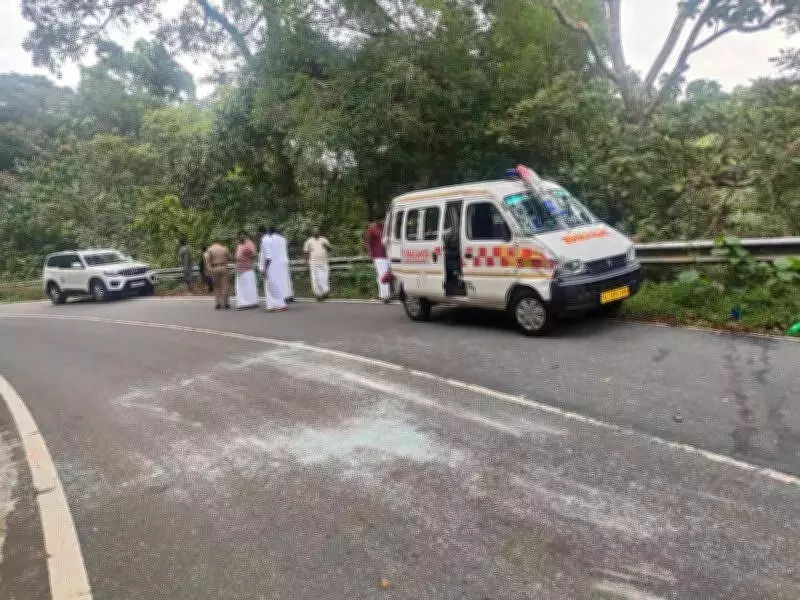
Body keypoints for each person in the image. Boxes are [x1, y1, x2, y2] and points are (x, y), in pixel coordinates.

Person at [259, 227, 287, 312]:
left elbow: (268, 256)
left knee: (272, 285)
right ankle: (271, 305)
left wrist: (264, 269)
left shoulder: (265, 240)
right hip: (273, 266)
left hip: (269, 267)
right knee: (269, 286)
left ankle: (280, 304)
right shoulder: (269, 239)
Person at [303, 226, 332, 300]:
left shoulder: (324, 239)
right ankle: (318, 295)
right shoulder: (309, 241)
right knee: (315, 279)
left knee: (324, 278)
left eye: (317, 231)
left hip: (323, 262)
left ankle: (325, 293)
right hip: (313, 263)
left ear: (319, 232)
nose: (316, 232)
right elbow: (306, 253)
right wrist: (306, 264)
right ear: (312, 232)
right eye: (314, 231)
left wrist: (326, 246)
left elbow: (330, 249)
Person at [365, 220, 390, 302]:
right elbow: (368, 242)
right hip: (378, 255)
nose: (383, 221)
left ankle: (382, 295)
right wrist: (370, 254)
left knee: (383, 275)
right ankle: (385, 295)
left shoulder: (386, 228)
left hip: (387, 255)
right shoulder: (372, 229)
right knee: (383, 274)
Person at [234, 231, 258, 309]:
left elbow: (254, 255)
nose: (240, 237)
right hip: (240, 269)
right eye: (239, 236)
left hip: (247, 269)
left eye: (242, 236)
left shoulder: (249, 244)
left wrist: (248, 254)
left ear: (245, 236)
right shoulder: (239, 245)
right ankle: (243, 303)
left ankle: (251, 302)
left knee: (249, 286)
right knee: (241, 288)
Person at [204, 240, 231, 309]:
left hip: (215, 268)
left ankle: (218, 303)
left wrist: (209, 269)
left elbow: (207, 259)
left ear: (213, 242)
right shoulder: (224, 248)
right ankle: (226, 303)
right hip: (224, 267)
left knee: (217, 286)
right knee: (225, 286)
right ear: (219, 242)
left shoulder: (210, 249)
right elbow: (228, 257)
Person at [270, 226, 294, 303]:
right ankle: (290, 295)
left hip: (276, 262)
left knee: (280, 280)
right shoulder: (283, 239)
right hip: (284, 261)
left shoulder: (271, 239)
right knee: (287, 279)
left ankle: (283, 296)